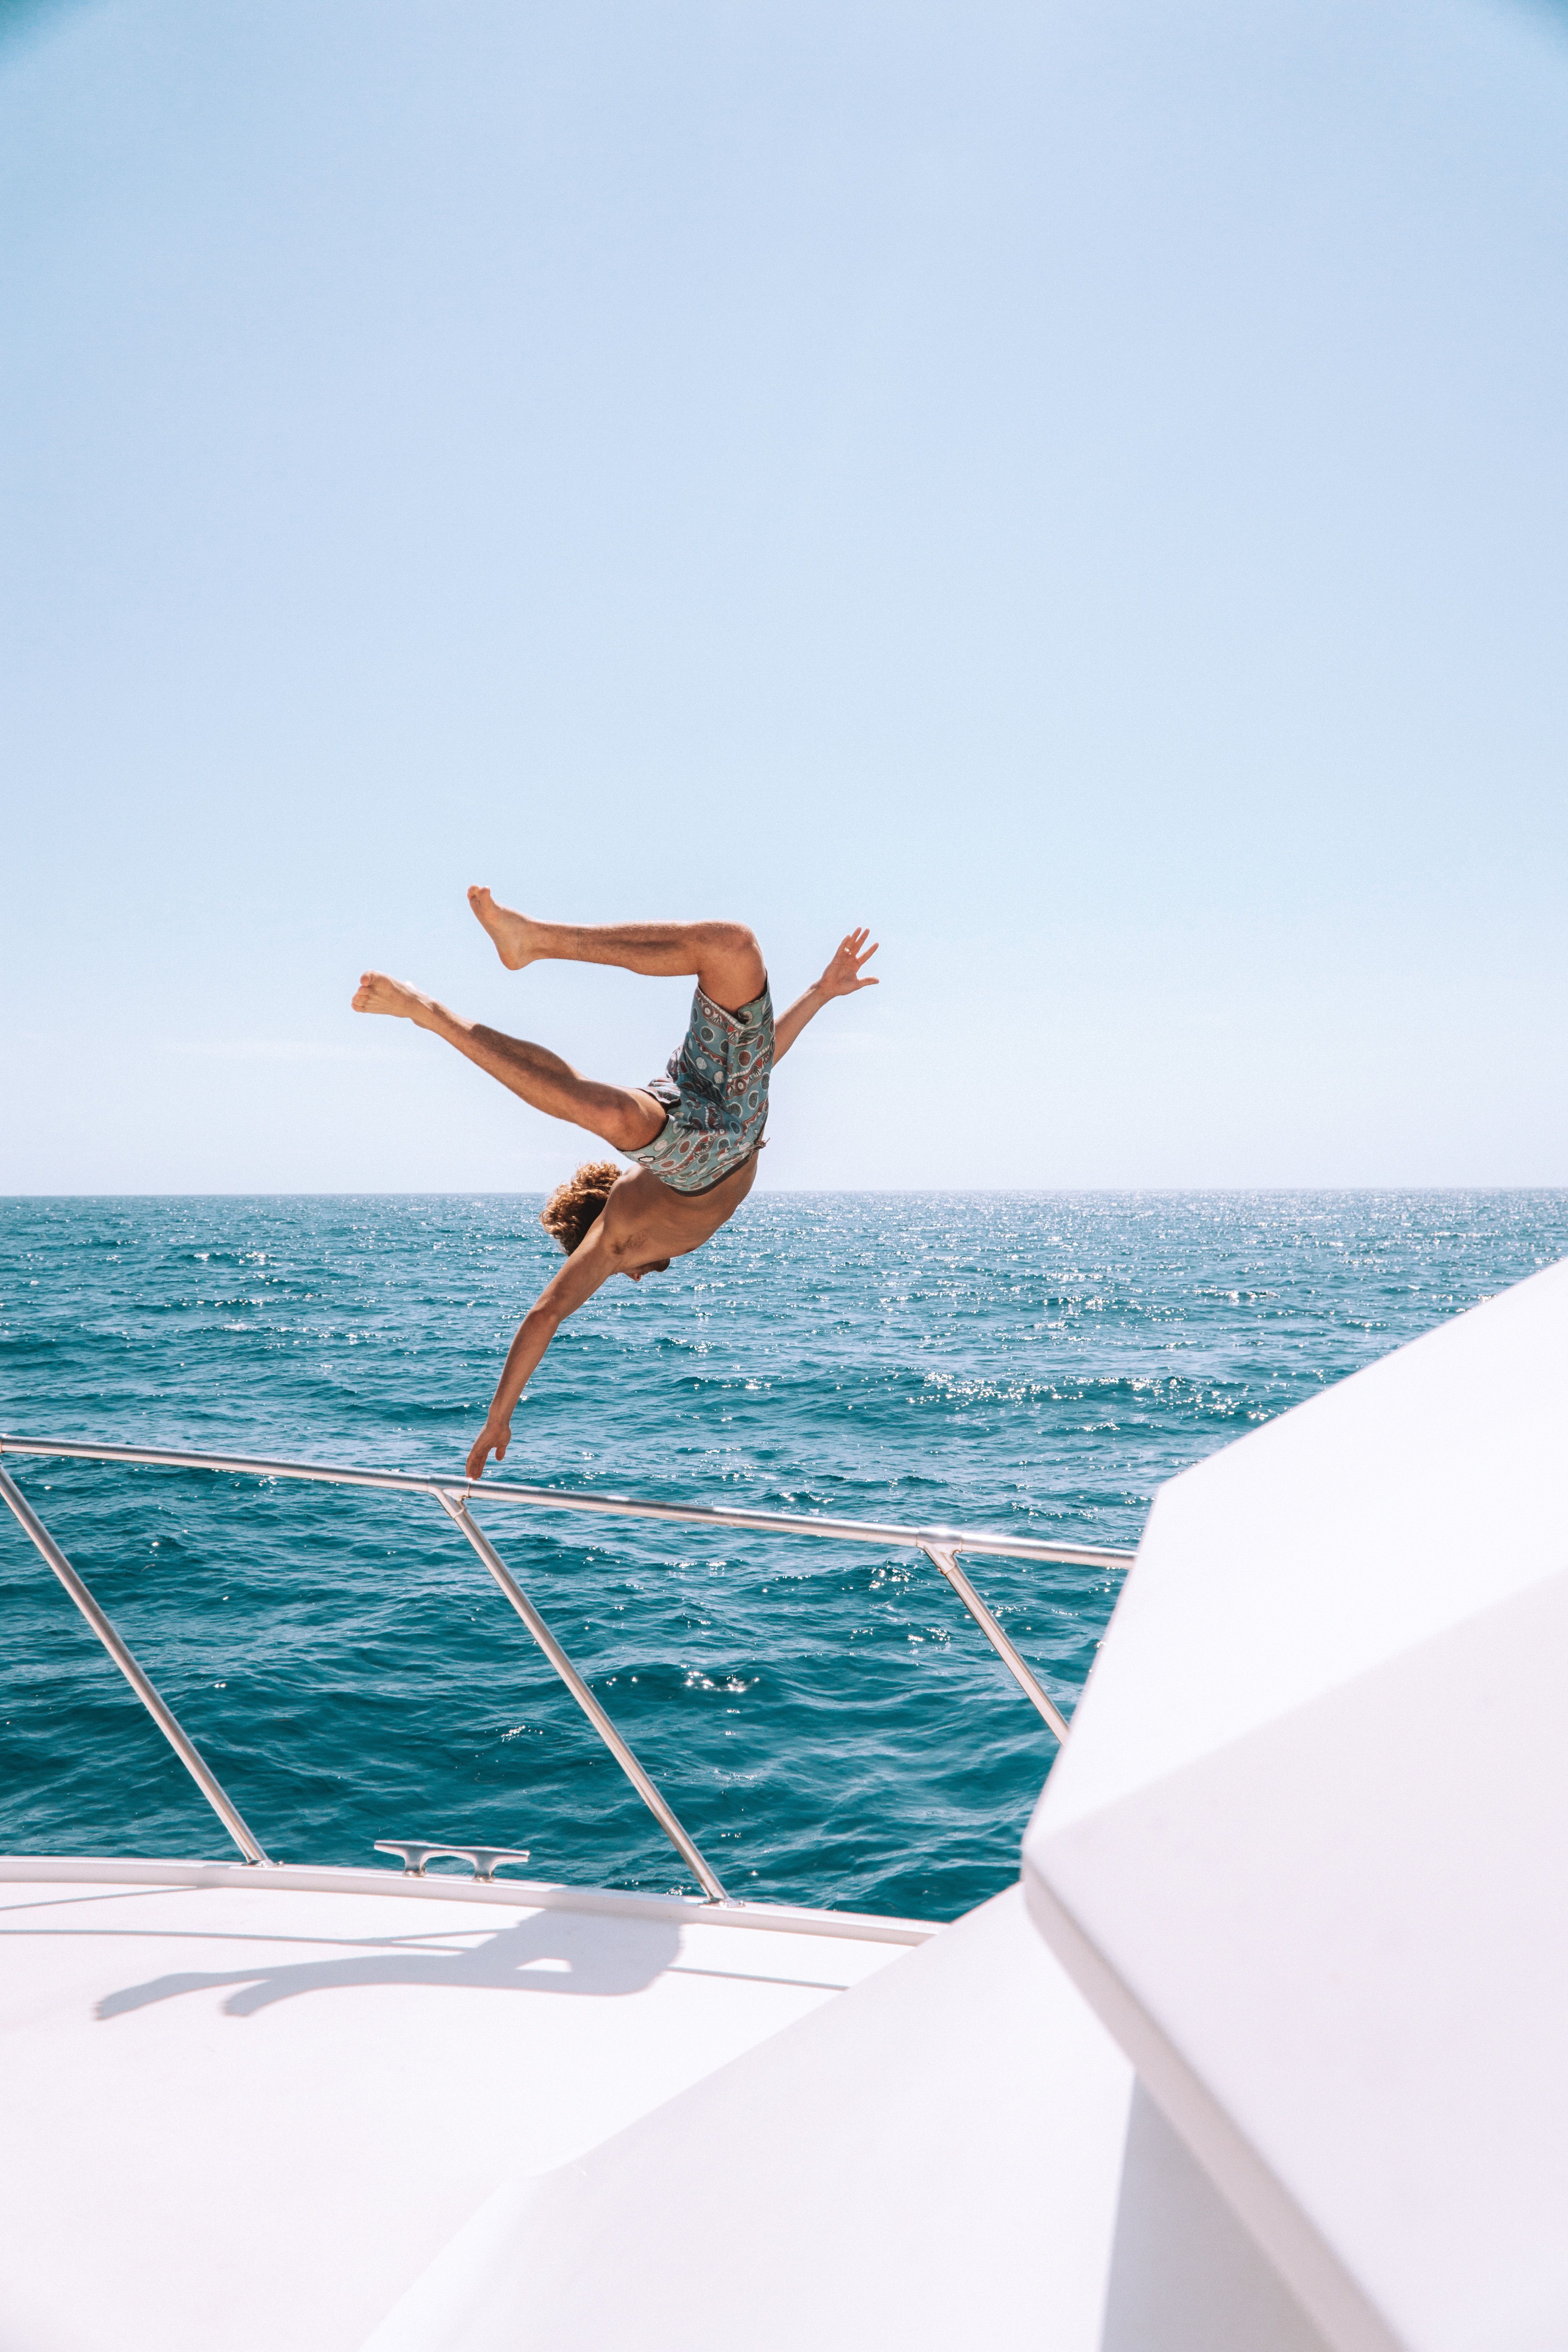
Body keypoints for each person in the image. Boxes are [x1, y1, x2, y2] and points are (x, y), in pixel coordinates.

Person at [351, 889, 879, 1478]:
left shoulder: (615, 1236)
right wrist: (821, 994)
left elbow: (544, 1315)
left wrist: (499, 1416)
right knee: (735, 948)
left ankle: (522, 948)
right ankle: (459, 989)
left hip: (699, 1120)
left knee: (718, 958)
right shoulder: (623, 1238)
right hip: (732, 1122)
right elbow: (758, 1062)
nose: (632, 1277)